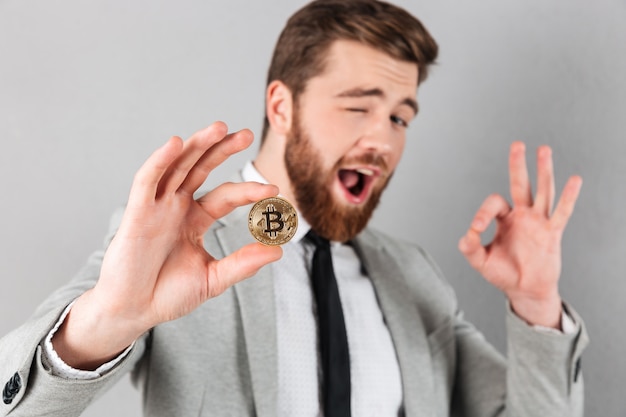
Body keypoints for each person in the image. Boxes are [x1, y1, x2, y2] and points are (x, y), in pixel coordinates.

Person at [0, 0, 588, 416]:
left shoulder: (412, 276)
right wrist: (109, 318)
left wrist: (536, 306)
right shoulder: (175, 249)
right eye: (359, 106)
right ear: (282, 107)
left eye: (400, 117)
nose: (383, 140)